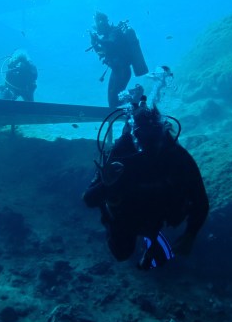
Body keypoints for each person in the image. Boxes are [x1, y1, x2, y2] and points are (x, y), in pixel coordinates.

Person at [82, 99, 209, 270]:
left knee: (159, 259)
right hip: (128, 210)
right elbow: (89, 199)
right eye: (143, 137)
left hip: (159, 210)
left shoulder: (176, 155)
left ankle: (152, 238)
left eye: (154, 135)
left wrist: (190, 235)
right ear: (135, 135)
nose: (149, 144)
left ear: (163, 131)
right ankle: (136, 231)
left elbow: (200, 198)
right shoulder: (121, 153)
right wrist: (107, 185)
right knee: (121, 253)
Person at [88, 12, 149, 108]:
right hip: (116, 71)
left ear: (101, 23)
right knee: (112, 103)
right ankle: (133, 98)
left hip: (123, 71)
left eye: (96, 25)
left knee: (115, 101)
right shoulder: (106, 37)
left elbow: (112, 43)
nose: (96, 28)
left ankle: (137, 92)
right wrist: (94, 43)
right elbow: (102, 52)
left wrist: (98, 40)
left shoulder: (115, 31)